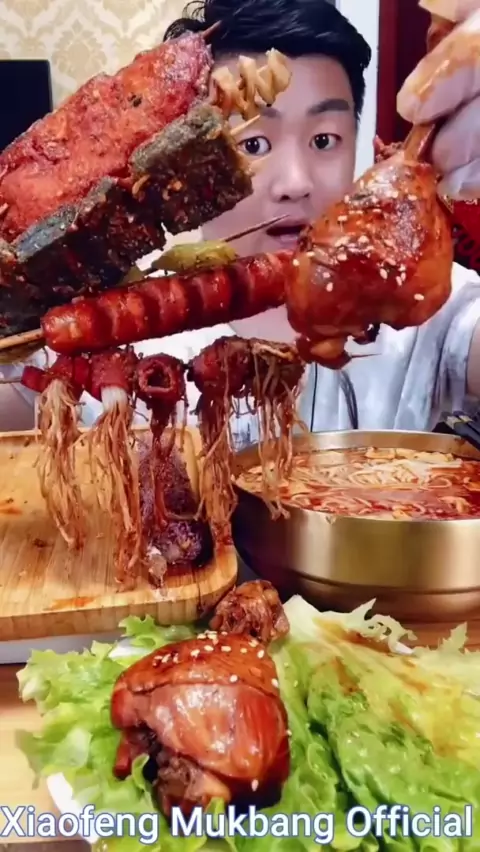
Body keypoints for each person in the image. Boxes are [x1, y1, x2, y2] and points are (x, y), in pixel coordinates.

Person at [2, 0, 480, 440]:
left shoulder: (429, 308)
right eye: (252, 144)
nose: (295, 182)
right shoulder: (94, 326)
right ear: (186, 167)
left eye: (324, 140)